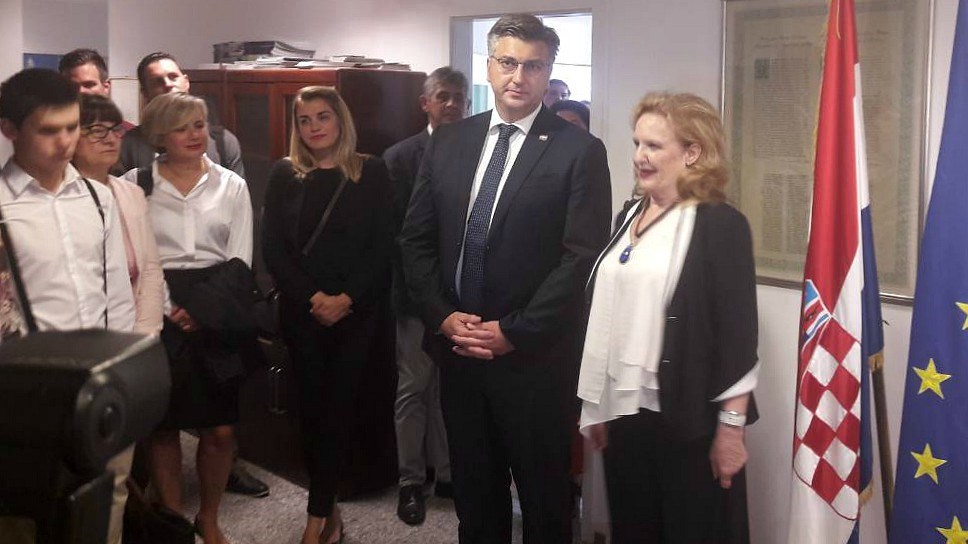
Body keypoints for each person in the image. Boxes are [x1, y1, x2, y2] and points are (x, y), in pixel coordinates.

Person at [399, 14, 611, 543]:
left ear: (548, 72)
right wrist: (442, 316)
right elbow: (416, 240)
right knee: (475, 500)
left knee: (544, 504)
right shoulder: (449, 142)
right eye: (508, 62)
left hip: (534, 362)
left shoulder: (579, 150)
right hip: (459, 352)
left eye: (533, 66)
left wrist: (514, 330)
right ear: (490, 66)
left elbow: (580, 259)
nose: (519, 77)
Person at [577, 92, 759, 543]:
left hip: (688, 419)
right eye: (637, 143)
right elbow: (610, 314)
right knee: (633, 529)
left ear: (693, 152)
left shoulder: (721, 224)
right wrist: (596, 404)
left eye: (654, 146)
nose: (640, 156)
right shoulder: (630, 214)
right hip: (626, 413)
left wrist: (731, 432)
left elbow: (737, 338)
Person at [0, 68, 137, 542]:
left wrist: (126, 373)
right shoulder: (3, 206)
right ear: (10, 130)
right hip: (29, 389)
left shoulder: (98, 198)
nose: (64, 142)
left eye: (72, 127)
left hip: (101, 381)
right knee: (30, 512)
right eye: (48, 130)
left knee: (108, 494)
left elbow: (116, 293)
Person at [261, 86, 393, 544]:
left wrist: (346, 298)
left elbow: (383, 246)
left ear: (340, 120)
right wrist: (314, 297)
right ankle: (327, 509)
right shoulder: (285, 174)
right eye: (305, 120)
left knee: (339, 411)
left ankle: (317, 517)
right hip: (303, 314)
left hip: (358, 316)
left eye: (323, 117)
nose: (314, 127)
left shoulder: (371, 172)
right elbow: (274, 250)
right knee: (311, 413)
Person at [122, 92, 254, 544]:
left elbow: (240, 259)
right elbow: (135, 257)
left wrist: (201, 310)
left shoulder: (231, 185)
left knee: (220, 428)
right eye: (182, 127)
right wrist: (166, 308)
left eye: (199, 124)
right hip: (155, 306)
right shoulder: (135, 183)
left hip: (218, 304)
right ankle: (174, 520)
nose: (195, 135)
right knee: (164, 427)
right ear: (160, 136)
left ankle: (209, 518)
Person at [71, 93, 165, 544]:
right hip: (78, 354)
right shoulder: (60, 198)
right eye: (96, 131)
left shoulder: (128, 191)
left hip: (127, 348)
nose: (110, 139)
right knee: (72, 479)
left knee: (118, 476)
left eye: (115, 130)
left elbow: (149, 268)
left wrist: (144, 338)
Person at [383, 65, 468, 526]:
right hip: (416, 299)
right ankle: (410, 481)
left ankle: (450, 475)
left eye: (458, 97)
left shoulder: (478, 152)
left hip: (464, 301)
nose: (451, 104)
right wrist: (427, 296)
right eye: (443, 96)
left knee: (452, 391)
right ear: (425, 103)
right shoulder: (399, 158)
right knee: (414, 389)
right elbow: (399, 238)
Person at [118, 52, 245, 178]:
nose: (168, 84)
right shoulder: (128, 145)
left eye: (173, 77)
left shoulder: (223, 142)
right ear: (145, 93)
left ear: (186, 82)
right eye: (158, 81)